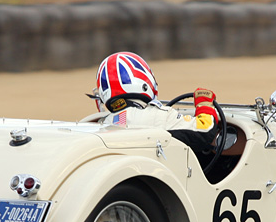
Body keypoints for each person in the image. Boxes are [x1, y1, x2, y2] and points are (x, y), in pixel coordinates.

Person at [91, 51, 220, 164]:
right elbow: (205, 130)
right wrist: (204, 104)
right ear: (143, 80)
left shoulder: (104, 123)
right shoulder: (158, 116)